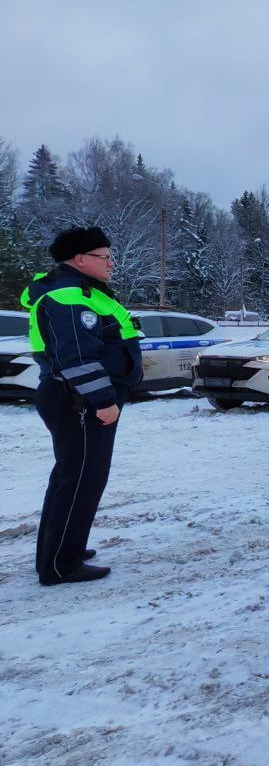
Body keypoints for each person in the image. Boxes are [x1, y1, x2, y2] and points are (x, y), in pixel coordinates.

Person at [22, 227, 142, 586]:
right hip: (81, 399)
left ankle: (58, 551)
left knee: (70, 477)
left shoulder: (79, 291)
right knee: (82, 480)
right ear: (80, 259)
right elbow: (76, 357)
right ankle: (62, 564)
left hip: (74, 397)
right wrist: (104, 401)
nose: (111, 264)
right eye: (104, 257)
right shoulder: (70, 296)